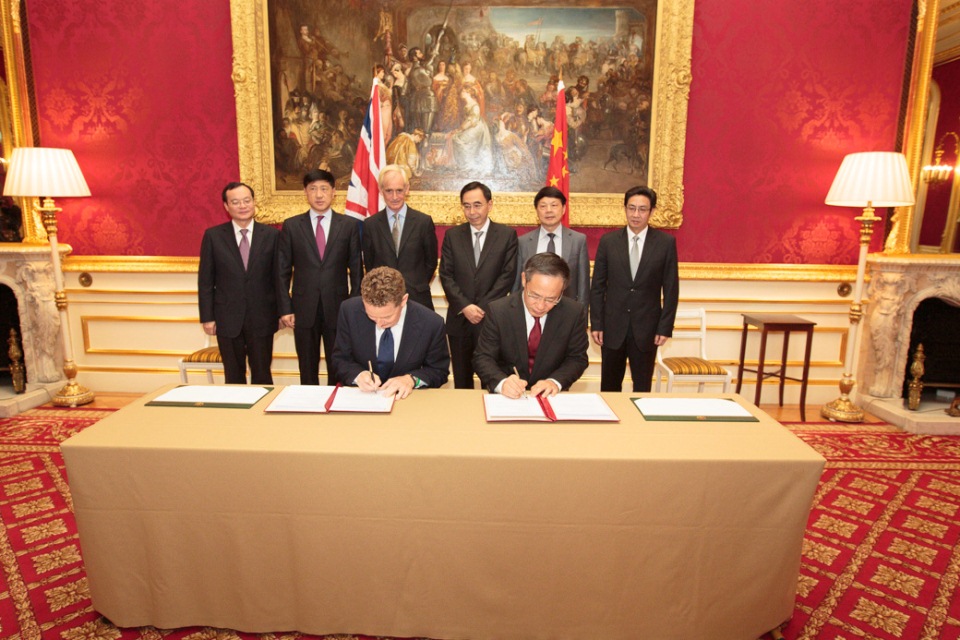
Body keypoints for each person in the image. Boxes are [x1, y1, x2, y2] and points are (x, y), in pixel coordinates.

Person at [277, 169, 362, 385]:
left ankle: (337, 404)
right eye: (313, 189)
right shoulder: (292, 226)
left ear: (334, 192)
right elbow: (282, 271)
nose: (319, 194)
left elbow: (357, 269)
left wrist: (353, 305)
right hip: (303, 307)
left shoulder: (349, 226)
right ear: (305, 192)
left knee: (339, 364)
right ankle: (309, 410)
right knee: (307, 365)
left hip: (339, 306)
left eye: (324, 188)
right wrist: (285, 308)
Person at [590, 185, 679, 392]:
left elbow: (671, 288)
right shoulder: (609, 242)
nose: (636, 214)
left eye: (642, 209)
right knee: (610, 387)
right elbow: (597, 287)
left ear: (652, 211)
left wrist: (664, 327)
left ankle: (639, 425)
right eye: (631, 208)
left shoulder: (665, 243)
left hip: (647, 329)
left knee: (642, 387)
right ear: (625, 209)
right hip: (612, 328)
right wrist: (596, 323)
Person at [198, 182, 280, 384]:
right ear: (226, 206)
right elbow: (206, 281)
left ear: (253, 203)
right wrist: (207, 317)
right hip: (227, 318)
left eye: (247, 200)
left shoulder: (272, 236)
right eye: (236, 202)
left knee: (262, 374)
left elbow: (279, 278)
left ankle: (260, 414)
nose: (242, 206)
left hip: (262, 317)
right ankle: (236, 415)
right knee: (233, 375)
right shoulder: (214, 236)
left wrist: (280, 312)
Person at [474, 253, 588, 398]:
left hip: (550, 397)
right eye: (534, 295)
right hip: (507, 398)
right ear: (523, 280)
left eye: (551, 299)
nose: (540, 306)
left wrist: (555, 382)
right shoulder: (498, 311)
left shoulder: (573, 313)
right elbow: (483, 357)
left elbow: (577, 358)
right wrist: (502, 383)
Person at [439, 181, 518, 388]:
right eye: (466, 206)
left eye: (477, 205)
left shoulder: (506, 235)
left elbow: (507, 276)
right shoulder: (452, 235)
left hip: (492, 320)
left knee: (492, 381)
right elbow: (446, 275)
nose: (472, 211)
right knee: (462, 382)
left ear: (489, 205)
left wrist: (481, 308)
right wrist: (465, 306)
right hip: (460, 320)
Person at [331, 267, 449, 398]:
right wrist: (358, 375)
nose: (379, 324)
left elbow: (439, 371)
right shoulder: (349, 311)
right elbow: (340, 359)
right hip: (364, 399)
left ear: (403, 301)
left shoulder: (431, 323)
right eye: (372, 316)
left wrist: (411, 380)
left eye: (387, 317)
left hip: (409, 401)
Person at [362, 165, 439, 310]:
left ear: (407, 189)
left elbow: (431, 262)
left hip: (417, 298)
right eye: (389, 191)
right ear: (381, 191)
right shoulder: (370, 225)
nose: (395, 197)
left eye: (399, 190)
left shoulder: (423, 222)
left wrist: (416, 284)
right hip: (383, 301)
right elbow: (370, 264)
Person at [514, 186, 589, 306]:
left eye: (554, 205)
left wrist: (581, 319)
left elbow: (583, 285)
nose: (548, 210)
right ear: (536, 210)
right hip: (532, 308)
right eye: (543, 206)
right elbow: (517, 283)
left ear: (564, 209)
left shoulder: (578, 240)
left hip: (566, 309)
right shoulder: (523, 242)